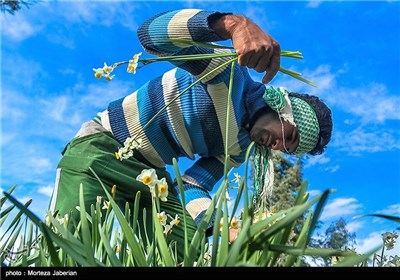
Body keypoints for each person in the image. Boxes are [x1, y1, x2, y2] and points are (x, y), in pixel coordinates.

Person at [48, 9, 332, 261]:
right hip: (101, 148)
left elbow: (193, 184)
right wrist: (233, 24)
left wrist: (224, 227)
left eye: (286, 150)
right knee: (63, 247)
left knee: (188, 253)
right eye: (290, 137)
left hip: (151, 178)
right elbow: (151, 35)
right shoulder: (226, 73)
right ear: (285, 110)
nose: (279, 146)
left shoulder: (238, 148)